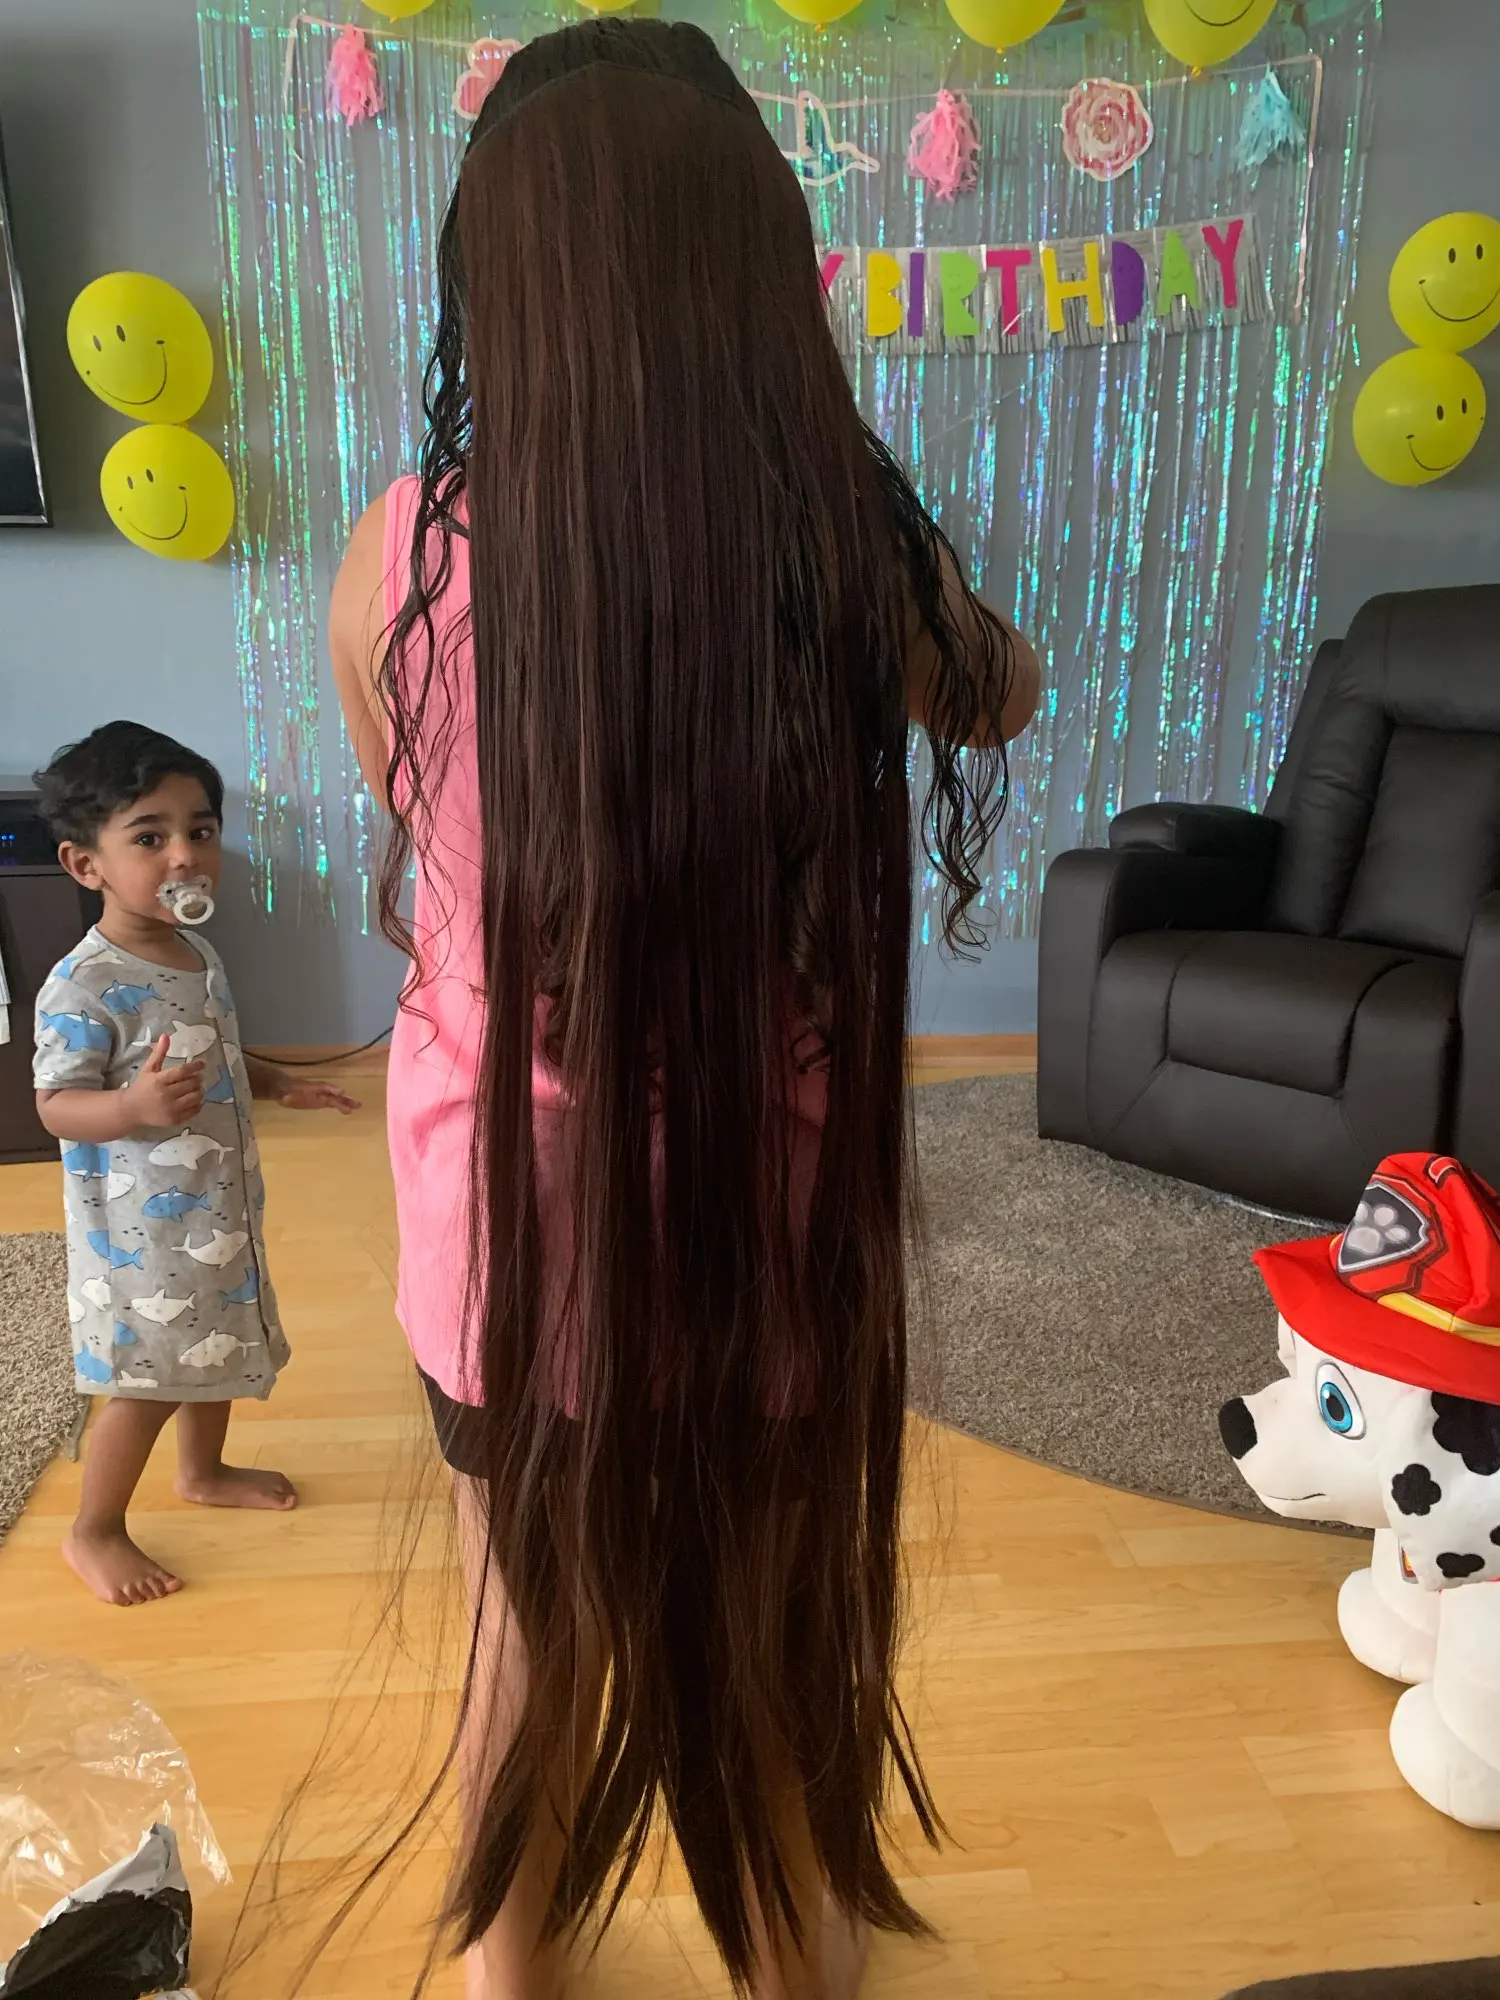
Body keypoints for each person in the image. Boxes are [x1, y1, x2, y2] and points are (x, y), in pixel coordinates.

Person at [328, 21, 1039, 1999]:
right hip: (763, 1218)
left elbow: (425, 820)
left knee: (521, 1625)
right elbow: (1002, 692)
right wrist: (867, 526)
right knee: (771, 1636)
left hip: (504, 1219)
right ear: (754, 273)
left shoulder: (403, 549)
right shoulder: (836, 549)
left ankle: (512, 1974)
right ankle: (800, 1959)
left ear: (500, 281)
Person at [32, 721, 358, 1607]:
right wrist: (130, 1109)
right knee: (149, 1378)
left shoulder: (196, 952)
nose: (185, 855)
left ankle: (203, 1472)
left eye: (201, 830)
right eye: (150, 837)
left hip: (217, 1208)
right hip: (140, 1235)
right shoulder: (82, 985)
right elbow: (55, 1104)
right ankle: (94, 1528)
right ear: (85, 865)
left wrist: (280, 1082)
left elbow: (212, 1050)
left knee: (217, 1342)